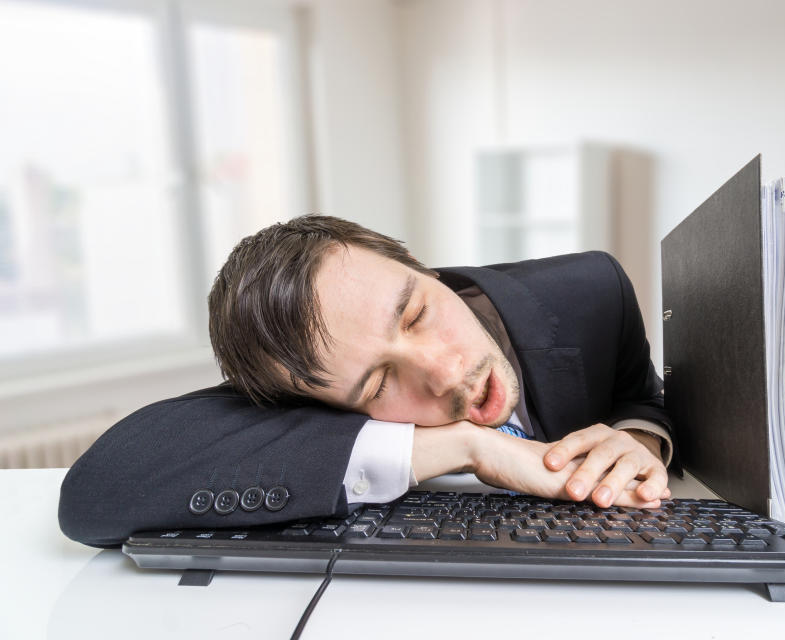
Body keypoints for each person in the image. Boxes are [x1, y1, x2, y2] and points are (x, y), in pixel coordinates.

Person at [58, 215, 678, 548]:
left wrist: (637, 444)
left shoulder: (593, 290)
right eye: (378, 384)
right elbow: (98, 493)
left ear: (419, 266)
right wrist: (468, 446)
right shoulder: (307, 388)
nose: (443, 373)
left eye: (415, 313)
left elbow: (639, 394)